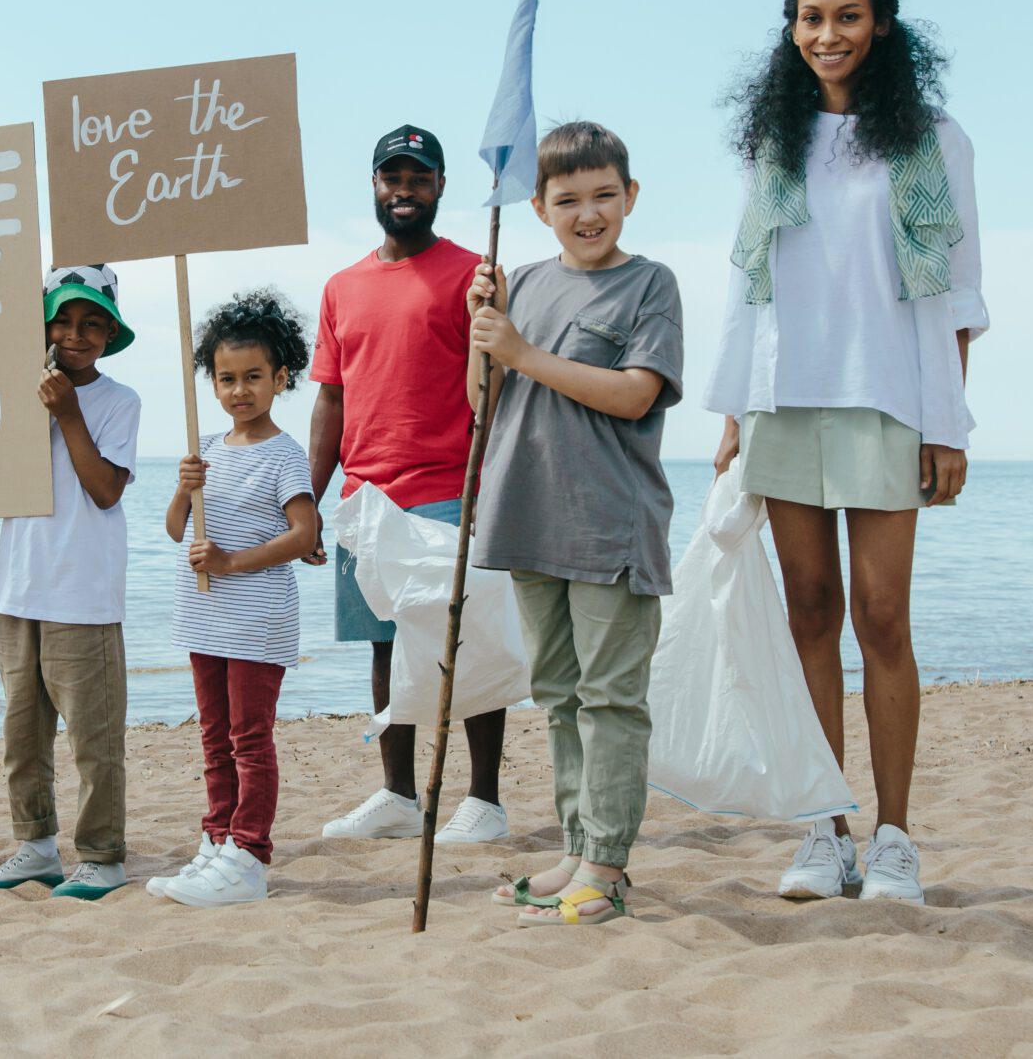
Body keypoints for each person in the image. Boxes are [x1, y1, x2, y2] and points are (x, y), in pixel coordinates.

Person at [708, 0, 987, 906]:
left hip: (888, 399)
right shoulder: (773, 143)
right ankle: (824, 835)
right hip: (786, 399)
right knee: (809, 616)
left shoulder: (933, 140)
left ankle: (896, 837)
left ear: (882, 27)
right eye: (811, 18)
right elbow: (749, 289)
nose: (828, 35)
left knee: (882, 619)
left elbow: (958, 294)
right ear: (792, 30)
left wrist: (948, 426)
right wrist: (737, 413)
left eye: (848, 17)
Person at [467, 121, 684, 926]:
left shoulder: (649, 284)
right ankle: (575, 845)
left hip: (610, 521)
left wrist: (519, 350)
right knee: (558, 693)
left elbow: (634, 393)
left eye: (603, 196)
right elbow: (481, 404)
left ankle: (609, 863)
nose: (587, 213)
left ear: (629, 197)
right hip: (526, 512)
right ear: (538, 206)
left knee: (610, 697)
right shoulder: (518, 281)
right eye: (568, 200)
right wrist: (481, 331)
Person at [310, 125, 511, 843]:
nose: (404, 190)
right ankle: (397, 795)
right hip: (365, 497)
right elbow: (331, 396)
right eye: (392, 177)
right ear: (374, 185)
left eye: (418, 178)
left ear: (440, 188)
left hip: (450, 487)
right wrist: (309, 498)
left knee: (468, 639)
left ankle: (483, 800)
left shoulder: (471, 274)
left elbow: (499, 380)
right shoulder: (342, 286)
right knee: (385, 647)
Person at [0, 264, 142, 901]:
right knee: (22, 734)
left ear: (110, 333)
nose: (75, 334)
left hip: (81, 590)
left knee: (92, 737)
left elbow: (104, 490)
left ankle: (103, 855)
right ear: (43, 326)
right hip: (17, 587)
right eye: (63, 320)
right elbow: (9, 477)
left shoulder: (118, 402)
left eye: (91, 323)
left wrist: (69, 412)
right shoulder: (19, 393)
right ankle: (35, 846)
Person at [152, 291, 319, 907]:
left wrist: (229, 562)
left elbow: (305, 535)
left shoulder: (282, 455)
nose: (239, 390)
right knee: (213, 736)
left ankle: (249, 853)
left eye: (253, 377)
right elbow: (178, 531)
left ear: (281, 377)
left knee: (250, 738)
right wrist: (182, 489)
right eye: (226, 379)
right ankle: (218, 838)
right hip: (204, 619)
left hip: (256, 622)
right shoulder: (211, 452)